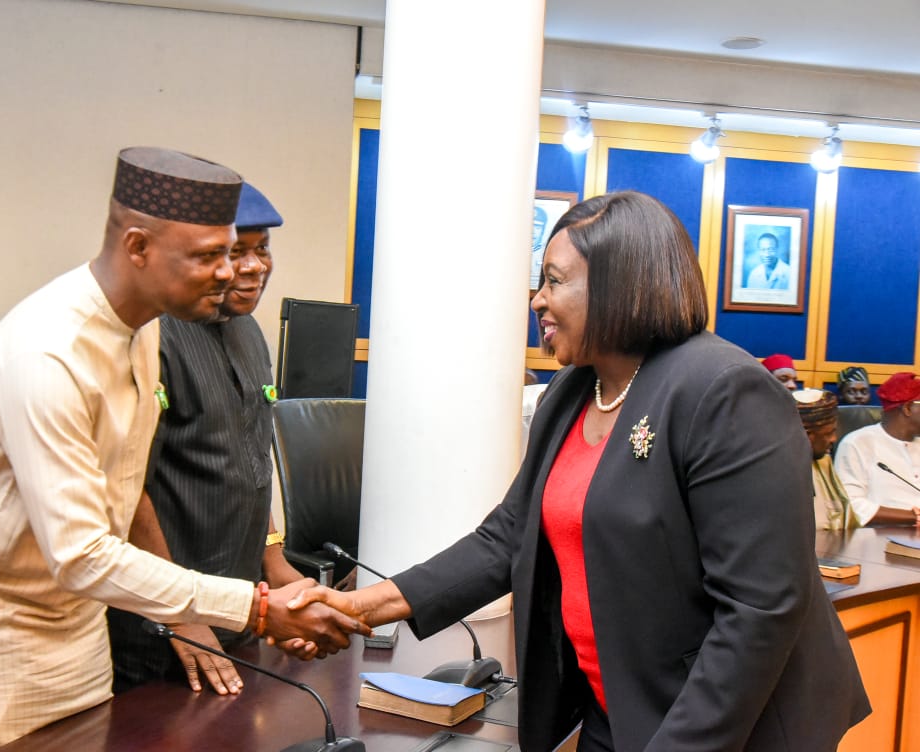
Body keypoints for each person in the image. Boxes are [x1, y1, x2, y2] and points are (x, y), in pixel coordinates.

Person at [288, 191, 869, 751]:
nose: (537, 300)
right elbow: (508, 537)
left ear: (622, 286)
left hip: (729, 721)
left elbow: (759, 610)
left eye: (555, 280)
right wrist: (362, 607)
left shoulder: (723, 390)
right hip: (618, 705)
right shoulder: (568, 392)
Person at [0, 149, 367, 751]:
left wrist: (266, 575)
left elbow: (122, 488)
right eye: (208, 256)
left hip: (81, 633)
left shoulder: (142, 325)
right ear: (138, 247)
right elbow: (80, 553)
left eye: (232, 253)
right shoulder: (47, 352)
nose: (230, 273)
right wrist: (252, 609)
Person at [107, 182, 304, 696]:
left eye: (262, 250)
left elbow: (251, 458)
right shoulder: (153, 338)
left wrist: (275, 560)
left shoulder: (249, 331)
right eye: (235, 252)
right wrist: (180, 615)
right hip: (160, 632)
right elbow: (127, 495)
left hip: (237, 607)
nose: (254, 266)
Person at [834, 371, 920, 527]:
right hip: (877, 540)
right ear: (907, 408)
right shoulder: (857, 443)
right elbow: (849, 504)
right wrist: (912, 517)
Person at [793, 388, 856, 530]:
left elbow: (846, 521)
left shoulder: (824, 462)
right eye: (829, 433)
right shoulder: (776, 469)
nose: (834, 439)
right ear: (806, 435)